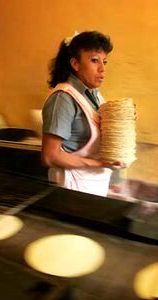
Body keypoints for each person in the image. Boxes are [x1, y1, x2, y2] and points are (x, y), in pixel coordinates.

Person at [41, 31, 123, 196]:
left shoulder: (95, 95)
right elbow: (50, 156)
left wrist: (123, 120)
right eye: (94, 60)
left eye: (104, 61)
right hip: (71, 187)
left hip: (94, 185)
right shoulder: (63, 98)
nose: (102, 69)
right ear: (75, 64)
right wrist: (98, 164)